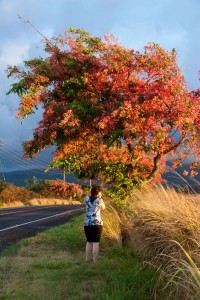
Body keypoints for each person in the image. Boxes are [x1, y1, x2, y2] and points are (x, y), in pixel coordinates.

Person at [84, 185, 106, 263]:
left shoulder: (86, 198)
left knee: (89, 241)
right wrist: (100, 197)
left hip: (87, 222)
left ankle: (87, 259)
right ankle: (94, 261)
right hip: (97, 222)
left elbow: (89, 203)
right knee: (96, 242)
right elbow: (103, 208)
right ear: (98, 192)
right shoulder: (99, 200)